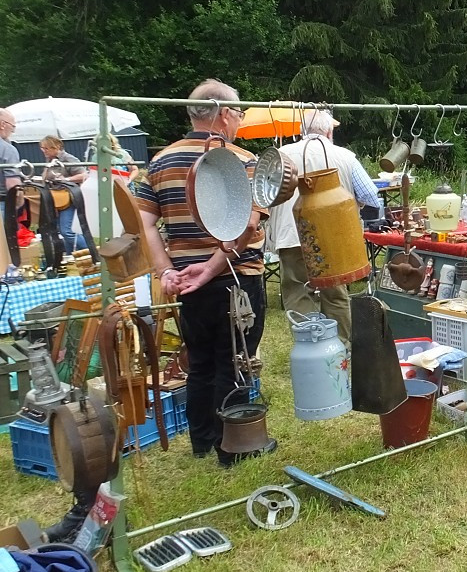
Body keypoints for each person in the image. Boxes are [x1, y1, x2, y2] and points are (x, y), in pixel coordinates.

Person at [134, 79, 270, 466]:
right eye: (240, 113)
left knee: (200, 361)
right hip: (235, 277)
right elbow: (247, 226)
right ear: (224, 113)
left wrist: (165, 272)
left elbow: (144, 224)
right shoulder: (243, 161)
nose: (241, 120)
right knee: (236, 362)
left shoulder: (158, 162)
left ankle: (201, 442)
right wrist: (211, 268)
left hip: (187, 280)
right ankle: (233, 450)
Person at [265, 109, 379, 340]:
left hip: (291, 234)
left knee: (297, 290)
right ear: (328, 131)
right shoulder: (344, 156)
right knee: (335, 293)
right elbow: (370, 195)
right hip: (333, 236)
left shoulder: (280, 156)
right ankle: (342, 347)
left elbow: (263, 196)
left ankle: (311, 343)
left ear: (300, 132)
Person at [39, 136, 88, 254]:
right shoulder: (50, 160)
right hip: (56, 199)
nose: (43, 151)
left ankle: (90, 252)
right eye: (42, 148)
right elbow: (44, 178)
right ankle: (70, 258)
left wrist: (66, 179)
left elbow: (84, 175)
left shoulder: (68, 159)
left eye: (47, 148)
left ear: (56, 147)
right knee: (63, 231)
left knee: (67, 231)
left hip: (69, 198)